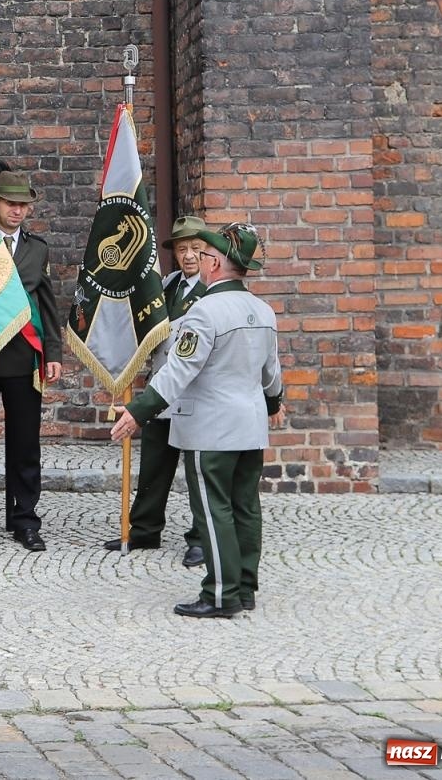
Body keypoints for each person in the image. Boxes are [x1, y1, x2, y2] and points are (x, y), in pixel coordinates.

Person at [112, 221, 283, 618]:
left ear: (216, 264)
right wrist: (274, 403)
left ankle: (221, 594)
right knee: (245, 507)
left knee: (213, 509)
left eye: (205, 255)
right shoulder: (263, 311)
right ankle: (244, 588)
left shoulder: (204, 312)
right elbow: (271, 373)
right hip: (250, 425)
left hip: (211, 428)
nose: (200, 261)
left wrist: (139, 411)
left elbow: (178, 370)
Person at [0, 167, 64, 551]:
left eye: (23, 205)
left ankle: (25, 520)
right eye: (10, 203)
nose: (17, 211)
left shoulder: (38, 249)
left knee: (25, 444)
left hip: (23, 358)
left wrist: (53, 352)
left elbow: (47, 303)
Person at [103, 214, 209, 566]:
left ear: (208, 252)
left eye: (196, 248)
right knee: (153, 465)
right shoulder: (167, 285)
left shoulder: (213, 290)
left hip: (195, 393)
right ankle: (145, 529)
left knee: (197, 470)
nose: (189, 255)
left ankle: (201, 537)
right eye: (182, 249)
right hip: (161, 389)